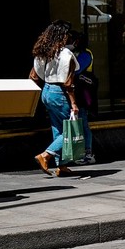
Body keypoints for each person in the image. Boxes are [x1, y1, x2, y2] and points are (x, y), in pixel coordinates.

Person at [29, 20, 81, 175]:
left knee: (58, 128)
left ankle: (62, 166)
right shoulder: (67, 54)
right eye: (67, 34)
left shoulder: (43, 51)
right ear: (63, 35)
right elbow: (69, 83)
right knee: (70, 130)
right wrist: (74, 103)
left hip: (47, 91)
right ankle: (46, 155)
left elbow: (33, 75)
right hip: (60, 93)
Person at [69, 31, 98, 165]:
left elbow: (76, 70)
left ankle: (88, 152)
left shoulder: (86, 54)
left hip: (82, 93)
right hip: (75, 91)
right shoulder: (77, 53)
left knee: (83, 123)